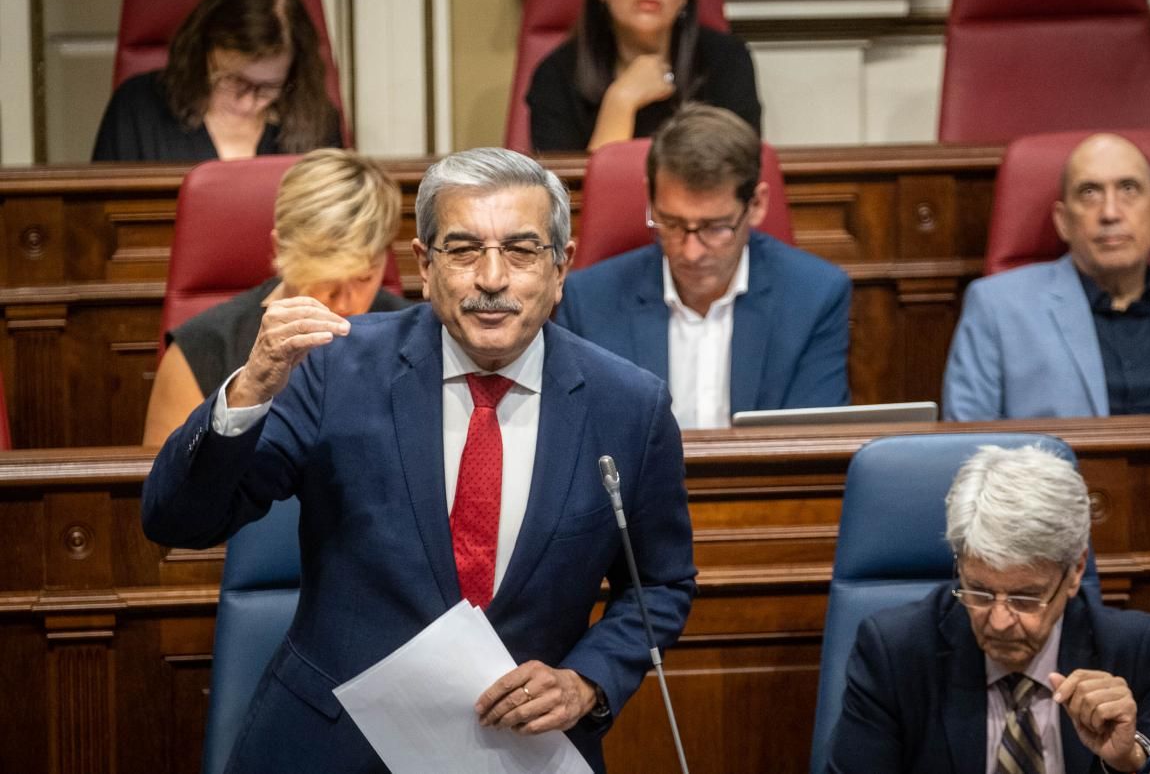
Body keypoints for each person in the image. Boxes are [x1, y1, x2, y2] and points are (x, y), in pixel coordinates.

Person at [141, 147, 695, 773]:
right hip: (333, 747)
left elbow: (660, 583)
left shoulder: (628, 405)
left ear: (561, 268)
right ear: (424, 267)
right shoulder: (335, 370)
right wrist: (248, 394)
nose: (492, 278)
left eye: (520, 250)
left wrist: (587, 681)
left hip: (519, 753)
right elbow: (179, 521)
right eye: (462, 251)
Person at [826, 444, 1150, 774]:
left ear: (1076, 570)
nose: (998, 621)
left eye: (1025, 598)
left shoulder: (1136, 648)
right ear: (960, 563)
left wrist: (1132, 758)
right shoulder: (896, 652)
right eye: (978, 591)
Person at [555, 104, 850, 428]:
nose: (692, 253)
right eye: (671, 222)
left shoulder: (814, 296)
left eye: (715, 227)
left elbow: (811, 444)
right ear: (650, 198)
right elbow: (579, 437)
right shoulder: (589, 300)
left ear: (756, 205)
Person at [943, 132, 1150, 421]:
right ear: (1062, 220)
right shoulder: (997, 308)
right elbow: (966, 450)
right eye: (1089, 192)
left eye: (1128, 188)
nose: (1110, 212)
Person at [142, 148, 410, 446]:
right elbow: (167, 487)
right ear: (281, 250)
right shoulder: (203, 347)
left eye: (364, 277)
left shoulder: (416, 336)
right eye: (327, 281)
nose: (346, 303)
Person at [526, 0, 761, 153]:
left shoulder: (727, 61)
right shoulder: (556, 75)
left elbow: (738, 176)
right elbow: (569, 190)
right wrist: (621, 100)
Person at [92, 0, 341, 162]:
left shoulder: (318, 120)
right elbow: (99, 219)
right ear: (203, 54)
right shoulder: (137, 107)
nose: (246, 103)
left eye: (268, 87)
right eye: (233, 80)